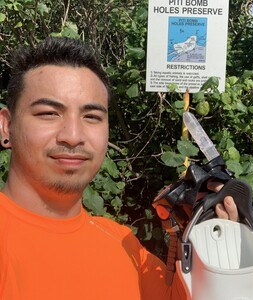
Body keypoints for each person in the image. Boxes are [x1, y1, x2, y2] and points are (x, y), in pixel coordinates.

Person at [0, 37, 238, 299]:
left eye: (91, 117)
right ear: (6, 126)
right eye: (48, 113)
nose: (73, 135)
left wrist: (212, 243)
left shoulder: (123, 245)